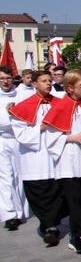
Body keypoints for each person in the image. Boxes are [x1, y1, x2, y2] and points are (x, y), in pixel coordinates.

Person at [42, 70, 81, 262]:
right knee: (74, 200)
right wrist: (72, 137)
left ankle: (76, 236)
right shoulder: (60, 107)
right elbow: (50, 137)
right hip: (68, 161)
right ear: (69, 87)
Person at [10, 70, 67, 245]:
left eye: (50, 80)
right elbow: (20, 131)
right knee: (39, 191)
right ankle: (48, 225)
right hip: (35, 155)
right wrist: (39, 129)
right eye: (44, 81)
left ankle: (50, 225)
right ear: (35, 84)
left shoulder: (59, 103)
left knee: (57, 189)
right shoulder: (24, 105)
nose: (49, 83)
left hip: (55, 154)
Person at [0, 66, 30, 231]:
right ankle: (9, 214)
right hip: (2, 139)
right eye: (2, 78)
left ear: (13, 79)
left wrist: (15, 112)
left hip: (18, 139)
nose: (5, 81)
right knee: (6, 177)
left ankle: (20, 212)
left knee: (19, 176)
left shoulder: (20, 95)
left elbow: (28, 118)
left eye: (8, 78)